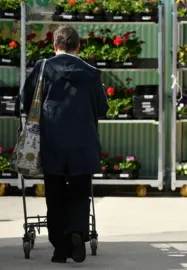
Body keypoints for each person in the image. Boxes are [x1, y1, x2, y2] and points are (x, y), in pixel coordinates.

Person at [20, 26, 108, 263]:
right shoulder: (92, 73)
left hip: (52, 142)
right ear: (78, 46)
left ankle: (60, 248)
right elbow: (102, 108)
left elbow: (25, 100)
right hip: (84, 143)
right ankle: (77, 233)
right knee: (80, 192)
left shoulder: (43, 69)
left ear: (55, 45)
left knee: (55, 194)